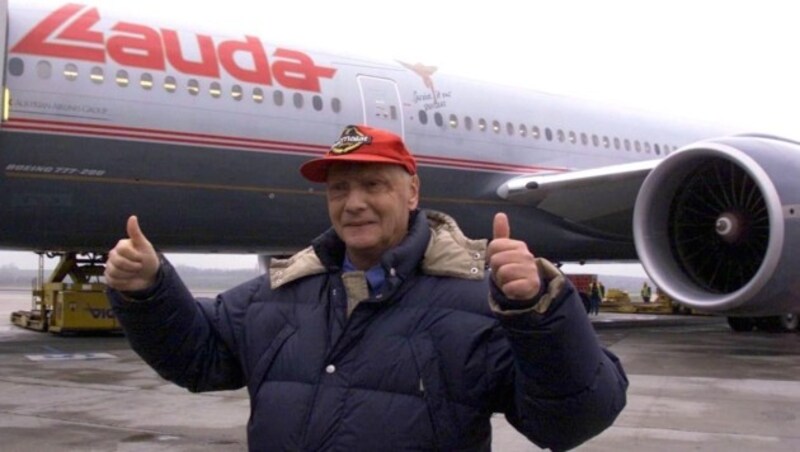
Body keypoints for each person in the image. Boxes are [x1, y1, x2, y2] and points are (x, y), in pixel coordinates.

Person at [104, 124, 628, 451]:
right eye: (339, 189)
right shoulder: (284, 291)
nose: (353, 203)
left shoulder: (477, 297)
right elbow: (200, 357)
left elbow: (570, 422)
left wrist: (541, 314)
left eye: (373, 185)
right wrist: (150, 290)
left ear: (412, 191)